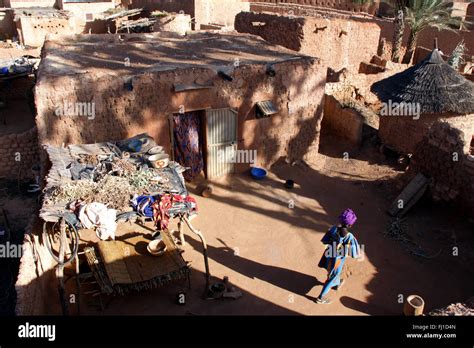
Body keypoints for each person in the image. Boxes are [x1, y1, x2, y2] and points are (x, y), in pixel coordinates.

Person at [315, 208, 361, 304]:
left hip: (328, 255)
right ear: (349, 225)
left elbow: (325, 241)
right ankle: (320, 297)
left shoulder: (333, 229)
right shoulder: (349, 237)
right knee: (333, 274)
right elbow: (353, 253)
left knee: (331, 271)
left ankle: (337, 283)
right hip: (338, 260)